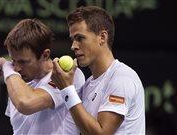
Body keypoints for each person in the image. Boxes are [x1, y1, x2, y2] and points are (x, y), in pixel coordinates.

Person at [51, 6, 145, 135]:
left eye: (80, 38)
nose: (73, 46)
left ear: (102, 37)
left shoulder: (122, 78)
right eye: (72, 39)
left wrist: (67, 89)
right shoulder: (88, 84)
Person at [0, 18, 85, 135]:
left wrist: (6, 66)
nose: (17, 68)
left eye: (23, 62)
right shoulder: (17, 80)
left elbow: (25, 103)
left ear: (45, 55)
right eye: (13, 61)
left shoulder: (68, 75)